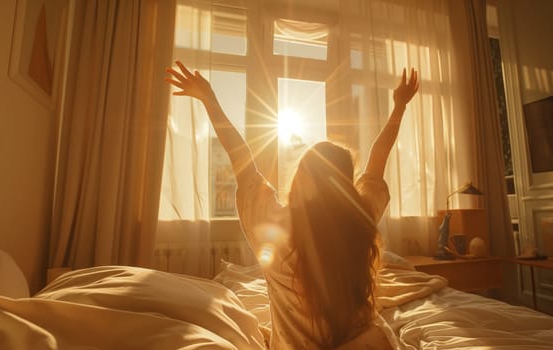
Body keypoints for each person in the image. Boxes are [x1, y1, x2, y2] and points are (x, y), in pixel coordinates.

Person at [166, 61, 419, 349]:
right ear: (346, 186)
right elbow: (378, 159)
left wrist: (210, 100)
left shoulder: (276, 223)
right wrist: (399, 106)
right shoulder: (359, 220)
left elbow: (241, 160)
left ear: (300, 179)